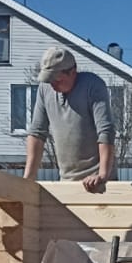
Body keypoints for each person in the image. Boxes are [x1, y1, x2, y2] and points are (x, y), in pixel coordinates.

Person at [23, 46, 115, 191]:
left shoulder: (93, 86)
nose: (52, 84)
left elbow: (106, 131)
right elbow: (37, 133)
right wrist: (28, 179)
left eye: (56, 79)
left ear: (72, 72)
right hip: (67, 181)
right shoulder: (44, 89)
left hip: (97, 182)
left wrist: (102, 175)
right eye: (48, 80)